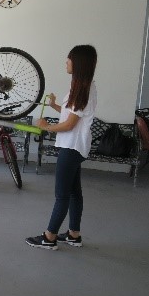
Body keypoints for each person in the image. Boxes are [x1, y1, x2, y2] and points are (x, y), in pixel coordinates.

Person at [26, 44, 97, 250]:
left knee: (62, 195)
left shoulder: (83, 89)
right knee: (74, 193)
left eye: (69, 59)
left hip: (72, 147)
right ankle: (74, 234)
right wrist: (55, 105)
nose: (66, 62)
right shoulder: (82, 85)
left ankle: (49, 237)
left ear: (78, 63)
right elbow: (71, 113)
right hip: (75, 146)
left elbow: (70, 124)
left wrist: (46, 127)